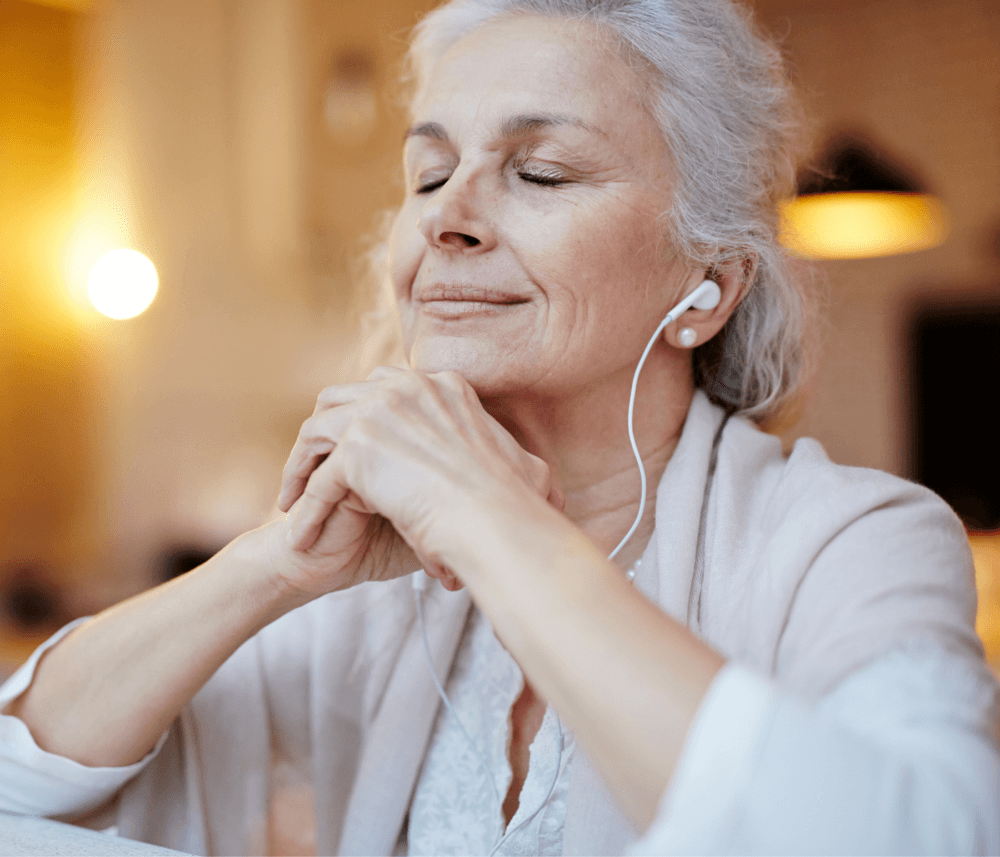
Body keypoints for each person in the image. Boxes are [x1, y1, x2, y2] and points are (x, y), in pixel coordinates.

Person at [2, 0, 998, 854]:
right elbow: (17, 793)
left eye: (545, 173)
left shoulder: (858, 537)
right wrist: (275, 563)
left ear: (706, 286)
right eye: (427, 176)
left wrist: (494, 520)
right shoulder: (370, 589)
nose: (447, 218)